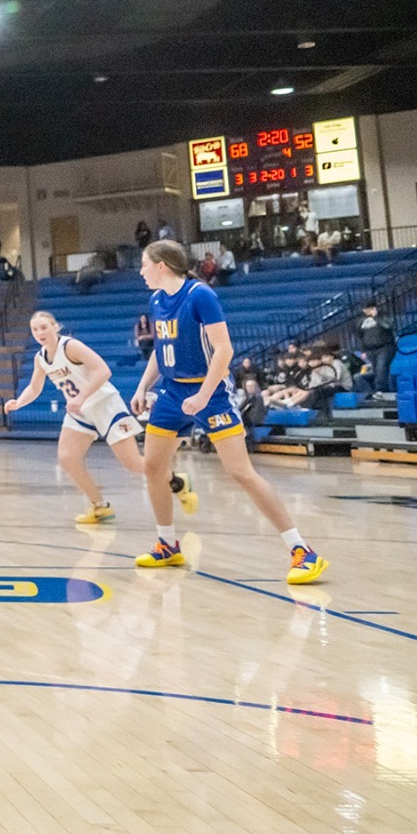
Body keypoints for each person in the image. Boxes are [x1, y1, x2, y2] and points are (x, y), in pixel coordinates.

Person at [128, 240, 326, 584]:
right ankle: (167, 544)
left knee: (240, 472)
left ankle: (302, 550)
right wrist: (142, 387)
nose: (141, 271)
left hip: (211, 393)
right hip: (172, 392)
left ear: (161, 265)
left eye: (144, 264)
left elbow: (224, 350)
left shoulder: (199, 295)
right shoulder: (157, 300)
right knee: (153, 467)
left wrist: (203, 395)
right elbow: (162, 351)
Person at [5, 311, 178, 525]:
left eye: (44, 327)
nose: (40, 332)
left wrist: (81, 396)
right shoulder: (40, 358)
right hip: (81, 411)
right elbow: (34, 387)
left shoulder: (70, 346)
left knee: (133, 464)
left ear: (55, 327)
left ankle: (176, 480)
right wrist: (18, 402)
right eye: (35, 329)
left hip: (105, 404)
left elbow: (103, 371)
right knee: (67, 458)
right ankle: (100, 507)